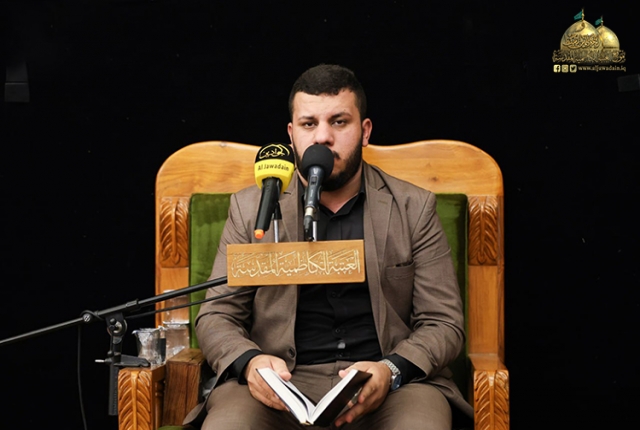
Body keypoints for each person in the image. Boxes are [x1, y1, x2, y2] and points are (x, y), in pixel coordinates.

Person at [193, 64, 474, 429]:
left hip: (388, 385)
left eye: (339, 122)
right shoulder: (251, 209)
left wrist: (390, 370)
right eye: (309, 124)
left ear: (365, 131)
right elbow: (216, 315)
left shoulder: (413, 207)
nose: (323, 137)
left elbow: (443, 322)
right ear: (292, 135)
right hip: (280, 386)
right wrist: (250, 363)